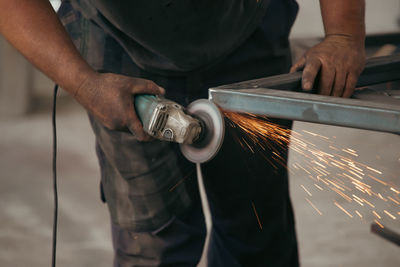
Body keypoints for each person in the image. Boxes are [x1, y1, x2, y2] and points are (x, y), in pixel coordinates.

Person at [0, 0, 366, 266]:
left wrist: (343, 33)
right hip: (117, 42)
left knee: (257, 229)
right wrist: (84, 84)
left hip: (246, 26)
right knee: (156, 243)